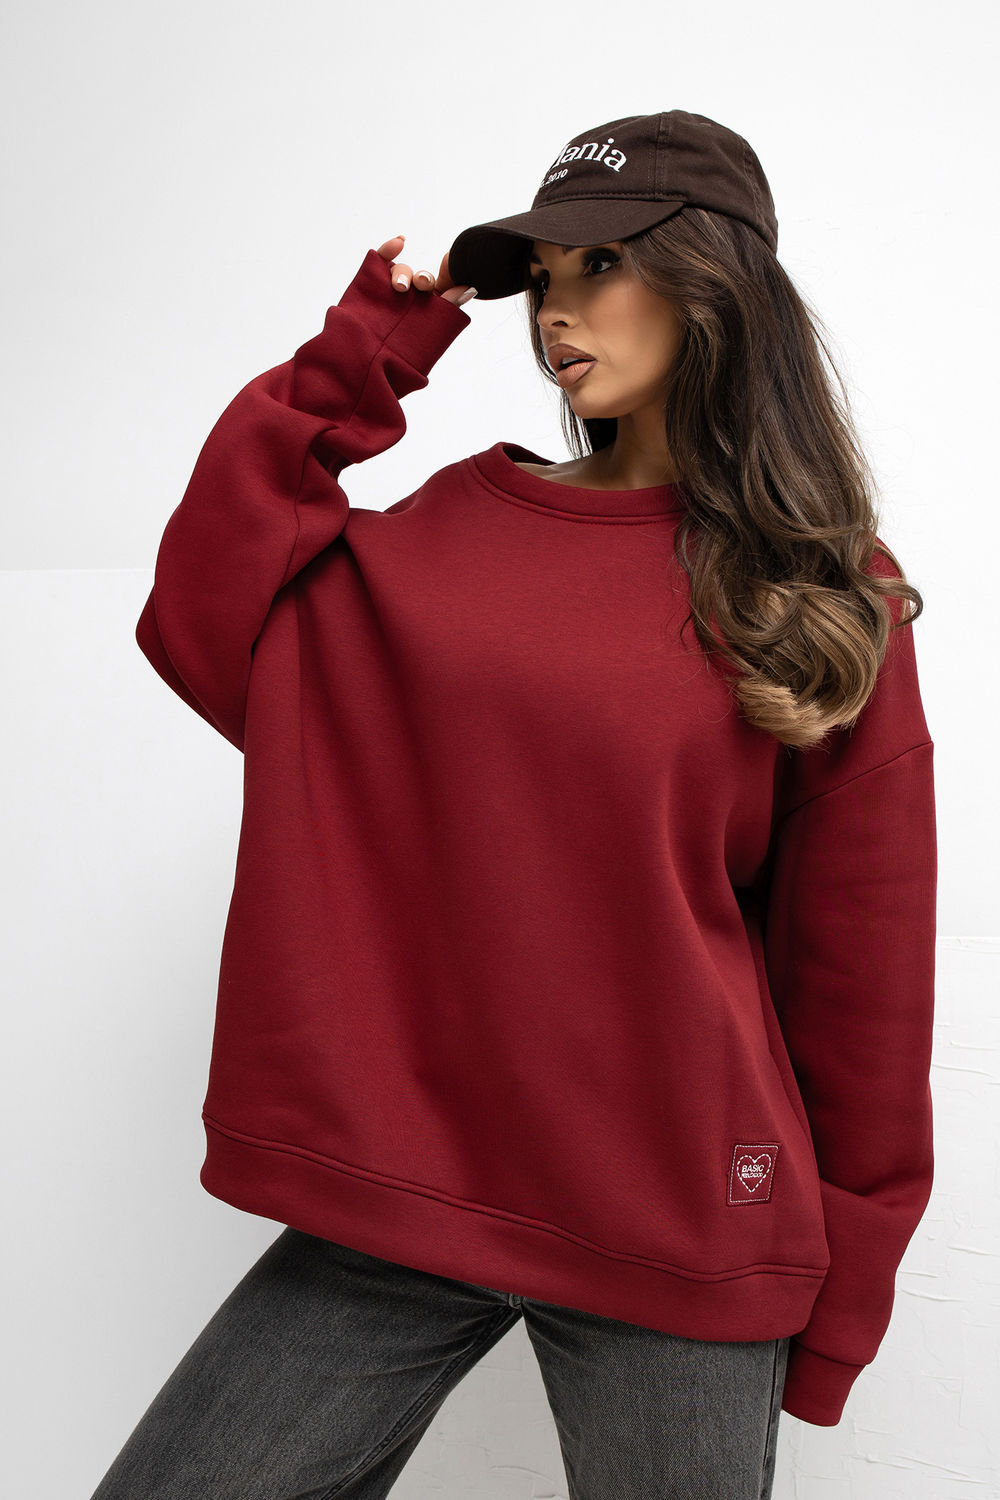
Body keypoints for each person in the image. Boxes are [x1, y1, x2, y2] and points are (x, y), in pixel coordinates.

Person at [89, 111, 937, 1499]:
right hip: (403, 1199)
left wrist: (844, 1306)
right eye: (542, 276)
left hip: (683, 1223)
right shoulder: (451, 537)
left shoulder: (817, 591)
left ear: (715, 287)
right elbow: (203, 611)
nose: (555, 310)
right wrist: (362, 357)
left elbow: (863, 983)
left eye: (602, 264)